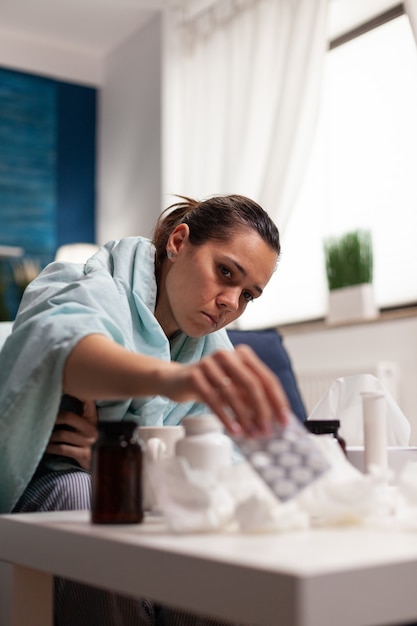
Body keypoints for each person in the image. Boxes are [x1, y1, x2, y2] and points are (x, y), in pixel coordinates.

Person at [0, 194, 289, 625]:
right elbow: (66, 351)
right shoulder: (85, 282)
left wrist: (116, 458)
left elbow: (224, 466)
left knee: (215, 523)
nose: (231, 301)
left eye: (248, 294)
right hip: (50, 489)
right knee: (85, 498)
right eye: (225, 272)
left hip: (145, 495)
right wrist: (172, 380)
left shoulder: (211, 349)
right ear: (178, 242)